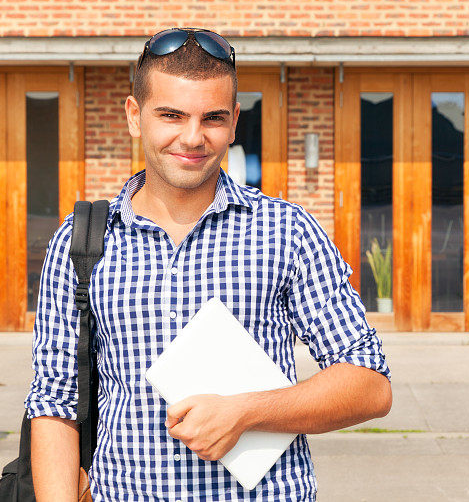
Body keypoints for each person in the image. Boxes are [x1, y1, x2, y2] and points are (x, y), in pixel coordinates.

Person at [25, 27, 392, 501]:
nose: (193, 137)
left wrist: (246, 412)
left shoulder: (286, 231)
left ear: (235, 121)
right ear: (135, 116)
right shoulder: (80, 242)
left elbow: (370, 384)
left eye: (213, 118)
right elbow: (54, 403)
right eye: (172, 115)